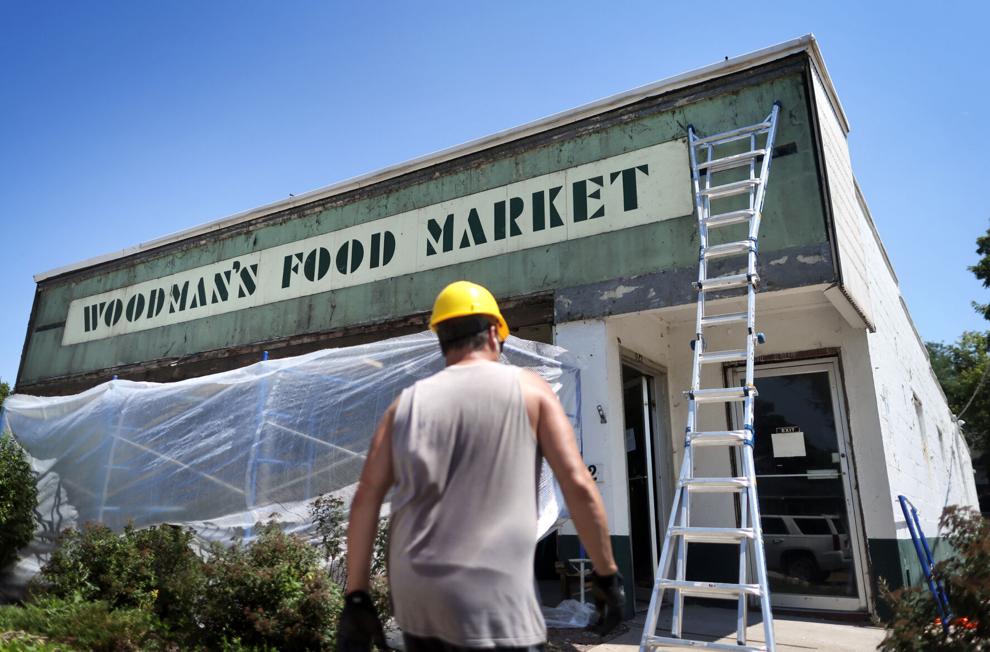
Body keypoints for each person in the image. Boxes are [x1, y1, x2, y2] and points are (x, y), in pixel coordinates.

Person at [338, 280, 624, 652]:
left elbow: (365, 500)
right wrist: (606, 575)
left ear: (441, 338)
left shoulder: (405, 404)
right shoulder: (531, 389)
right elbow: (577, 485)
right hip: (495, 596)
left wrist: (356, 597)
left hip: (418, 597)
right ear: (494, 333)